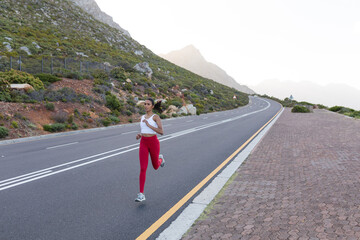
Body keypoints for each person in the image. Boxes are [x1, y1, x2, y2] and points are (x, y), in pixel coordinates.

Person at [135, 98, 165, 202]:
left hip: (153, 143)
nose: (146, 106)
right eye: (145, 104)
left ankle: (160, 159)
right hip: (143, 142)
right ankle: (141, 194)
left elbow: (161, 132)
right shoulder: (142, 117)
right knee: (143, 168)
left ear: (152, 106)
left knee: (156, 166)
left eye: (148, 104)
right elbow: (144, 130)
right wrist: (140, 135)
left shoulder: (155, 117)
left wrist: (149, 125)